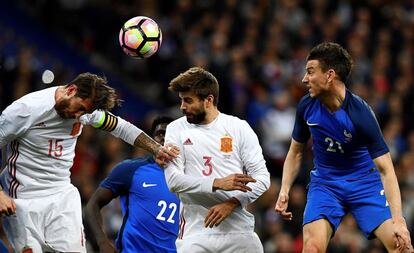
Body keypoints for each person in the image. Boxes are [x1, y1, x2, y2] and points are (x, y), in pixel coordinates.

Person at [0, 72, 178, 253]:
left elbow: (122, 128)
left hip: (61, 196)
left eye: (85, 113)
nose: (79, 116)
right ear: (70, 90)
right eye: (80, 109)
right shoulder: (25, 110)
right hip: (23, 198)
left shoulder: (86, 112)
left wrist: (156, 148)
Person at [274, 42, 412, 252]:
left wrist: (399, 220)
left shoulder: (360, 114)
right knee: (311, 248)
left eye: (310, 72)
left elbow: (386, 169)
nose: (304, 79)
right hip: (326, 184)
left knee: (400, 245)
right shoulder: (306, 106)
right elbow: (295, 152)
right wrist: (284, 189)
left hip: (365, 183)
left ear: (330, 75)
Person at [164, 67, 270, 253]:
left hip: (238, 230)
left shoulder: (238, 128)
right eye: (181, 100)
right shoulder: (176, 130)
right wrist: (217, 183)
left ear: (209, 100)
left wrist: (232, 203)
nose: (182, 107)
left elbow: (262, 178)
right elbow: (174, 181)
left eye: (188, 100)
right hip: (195, 233)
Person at [85, 116, 180, 253]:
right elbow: (92, 205)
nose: (164, 138)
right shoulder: (131, 170)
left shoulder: (188, 178)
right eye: (159, 134)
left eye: (169, 133)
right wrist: (102, 242)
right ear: (151, 141)